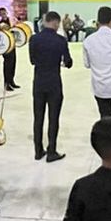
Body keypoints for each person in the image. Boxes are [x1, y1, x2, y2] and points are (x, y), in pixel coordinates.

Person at [29, 9, 73, 161]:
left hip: (39, 82)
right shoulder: (60, 40)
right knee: (53, 118)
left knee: (38, 118)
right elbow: (68, 62)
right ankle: (52, 150)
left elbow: (32, 60)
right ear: (56, 22)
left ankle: (38, 150)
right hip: (54, 82)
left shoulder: (34, 39)